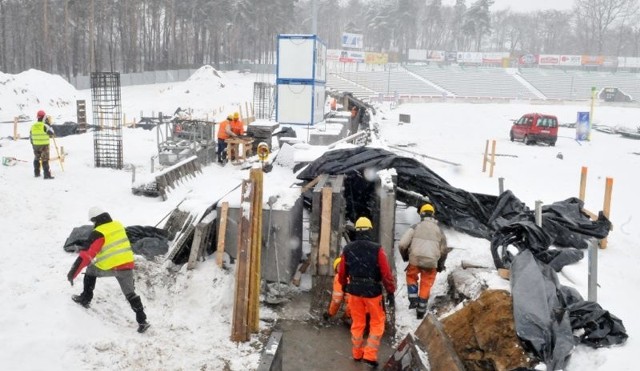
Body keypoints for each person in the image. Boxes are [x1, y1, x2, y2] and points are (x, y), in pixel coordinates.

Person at [67, 206, 151, 333]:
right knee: (130, 294)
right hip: (127, 266)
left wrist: (72, 273)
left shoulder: (99, 233)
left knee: (90, 270)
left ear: (96, 219)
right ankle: (142, 320)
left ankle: (85, 299)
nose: (93, 224)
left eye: (93, 221)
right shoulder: (118, 225)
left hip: (111, 267)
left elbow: (86, 256)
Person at [338, 217, 395, 368]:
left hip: (354, 291)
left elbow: (342, 271)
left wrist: (344, 285)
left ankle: (357, 354)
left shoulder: (348, 249)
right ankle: (369, 355)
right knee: (377, 322)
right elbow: (386, 272)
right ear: (370, 230)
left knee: (358, 322)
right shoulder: (377, 248)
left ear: (356, 231)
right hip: (372, 291)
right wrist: (390, 291)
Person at [398, 203, 448, 319]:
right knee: (426, 284)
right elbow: (444, 250)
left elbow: (402, 244)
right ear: (433, 215)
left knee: (411, 277)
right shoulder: (439, 231)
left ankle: (413, 300)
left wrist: (406, 256)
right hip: (431, 263)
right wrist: (440, 265)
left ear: (421, 215)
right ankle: (421, 311)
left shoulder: (415, 227)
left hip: (415, 260)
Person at [323, 257, 351, 326]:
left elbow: (337, 300)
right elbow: (337, 299)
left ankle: (348, 317)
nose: (342, 269)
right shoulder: (340, 277)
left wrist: (330, 313)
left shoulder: (343, 277)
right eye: (340, 266)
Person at [30, 110, 55, 179]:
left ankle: (36, 173)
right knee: (45, 159)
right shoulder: (45, 126)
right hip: (44, 146)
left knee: (36, 158)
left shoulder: (33, 126)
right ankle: (46, 175)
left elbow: (31, 137)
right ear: (44, 117)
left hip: (35, 146)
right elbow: (52, 133)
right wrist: (49, 125)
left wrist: (33, 144)